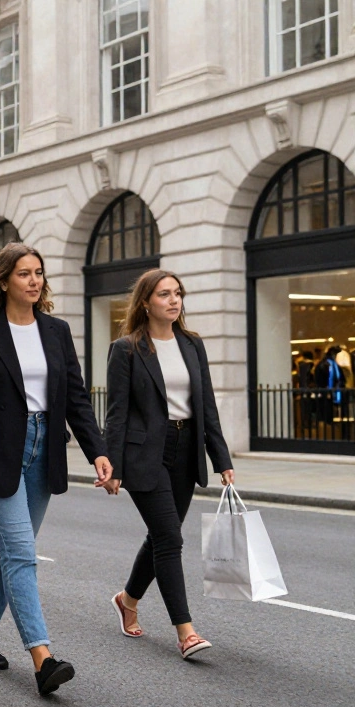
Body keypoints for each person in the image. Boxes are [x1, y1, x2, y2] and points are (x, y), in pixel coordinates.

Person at [0, 243, 111, 697]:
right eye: (24, 274)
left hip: (44, 447)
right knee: (21, 553)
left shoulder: (56, 331)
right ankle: (43, 658)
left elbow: (75, 397)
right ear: (4, 280)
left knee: (15, 551)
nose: (34, 281)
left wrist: (97, 450)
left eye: (38, 273)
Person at [103, 269, 233, 660]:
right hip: (147, 454)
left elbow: (206, 405)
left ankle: (127, 599)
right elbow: (117, 414)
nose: (174, 300)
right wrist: (112, 466)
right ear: (146, 302)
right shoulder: (126, 349)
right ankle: (186, 631)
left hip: (185, 447)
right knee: (171, 540)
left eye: (178, 293)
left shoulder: (192, 344)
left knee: (163, 535)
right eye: (164, 294)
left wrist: (221, 458)